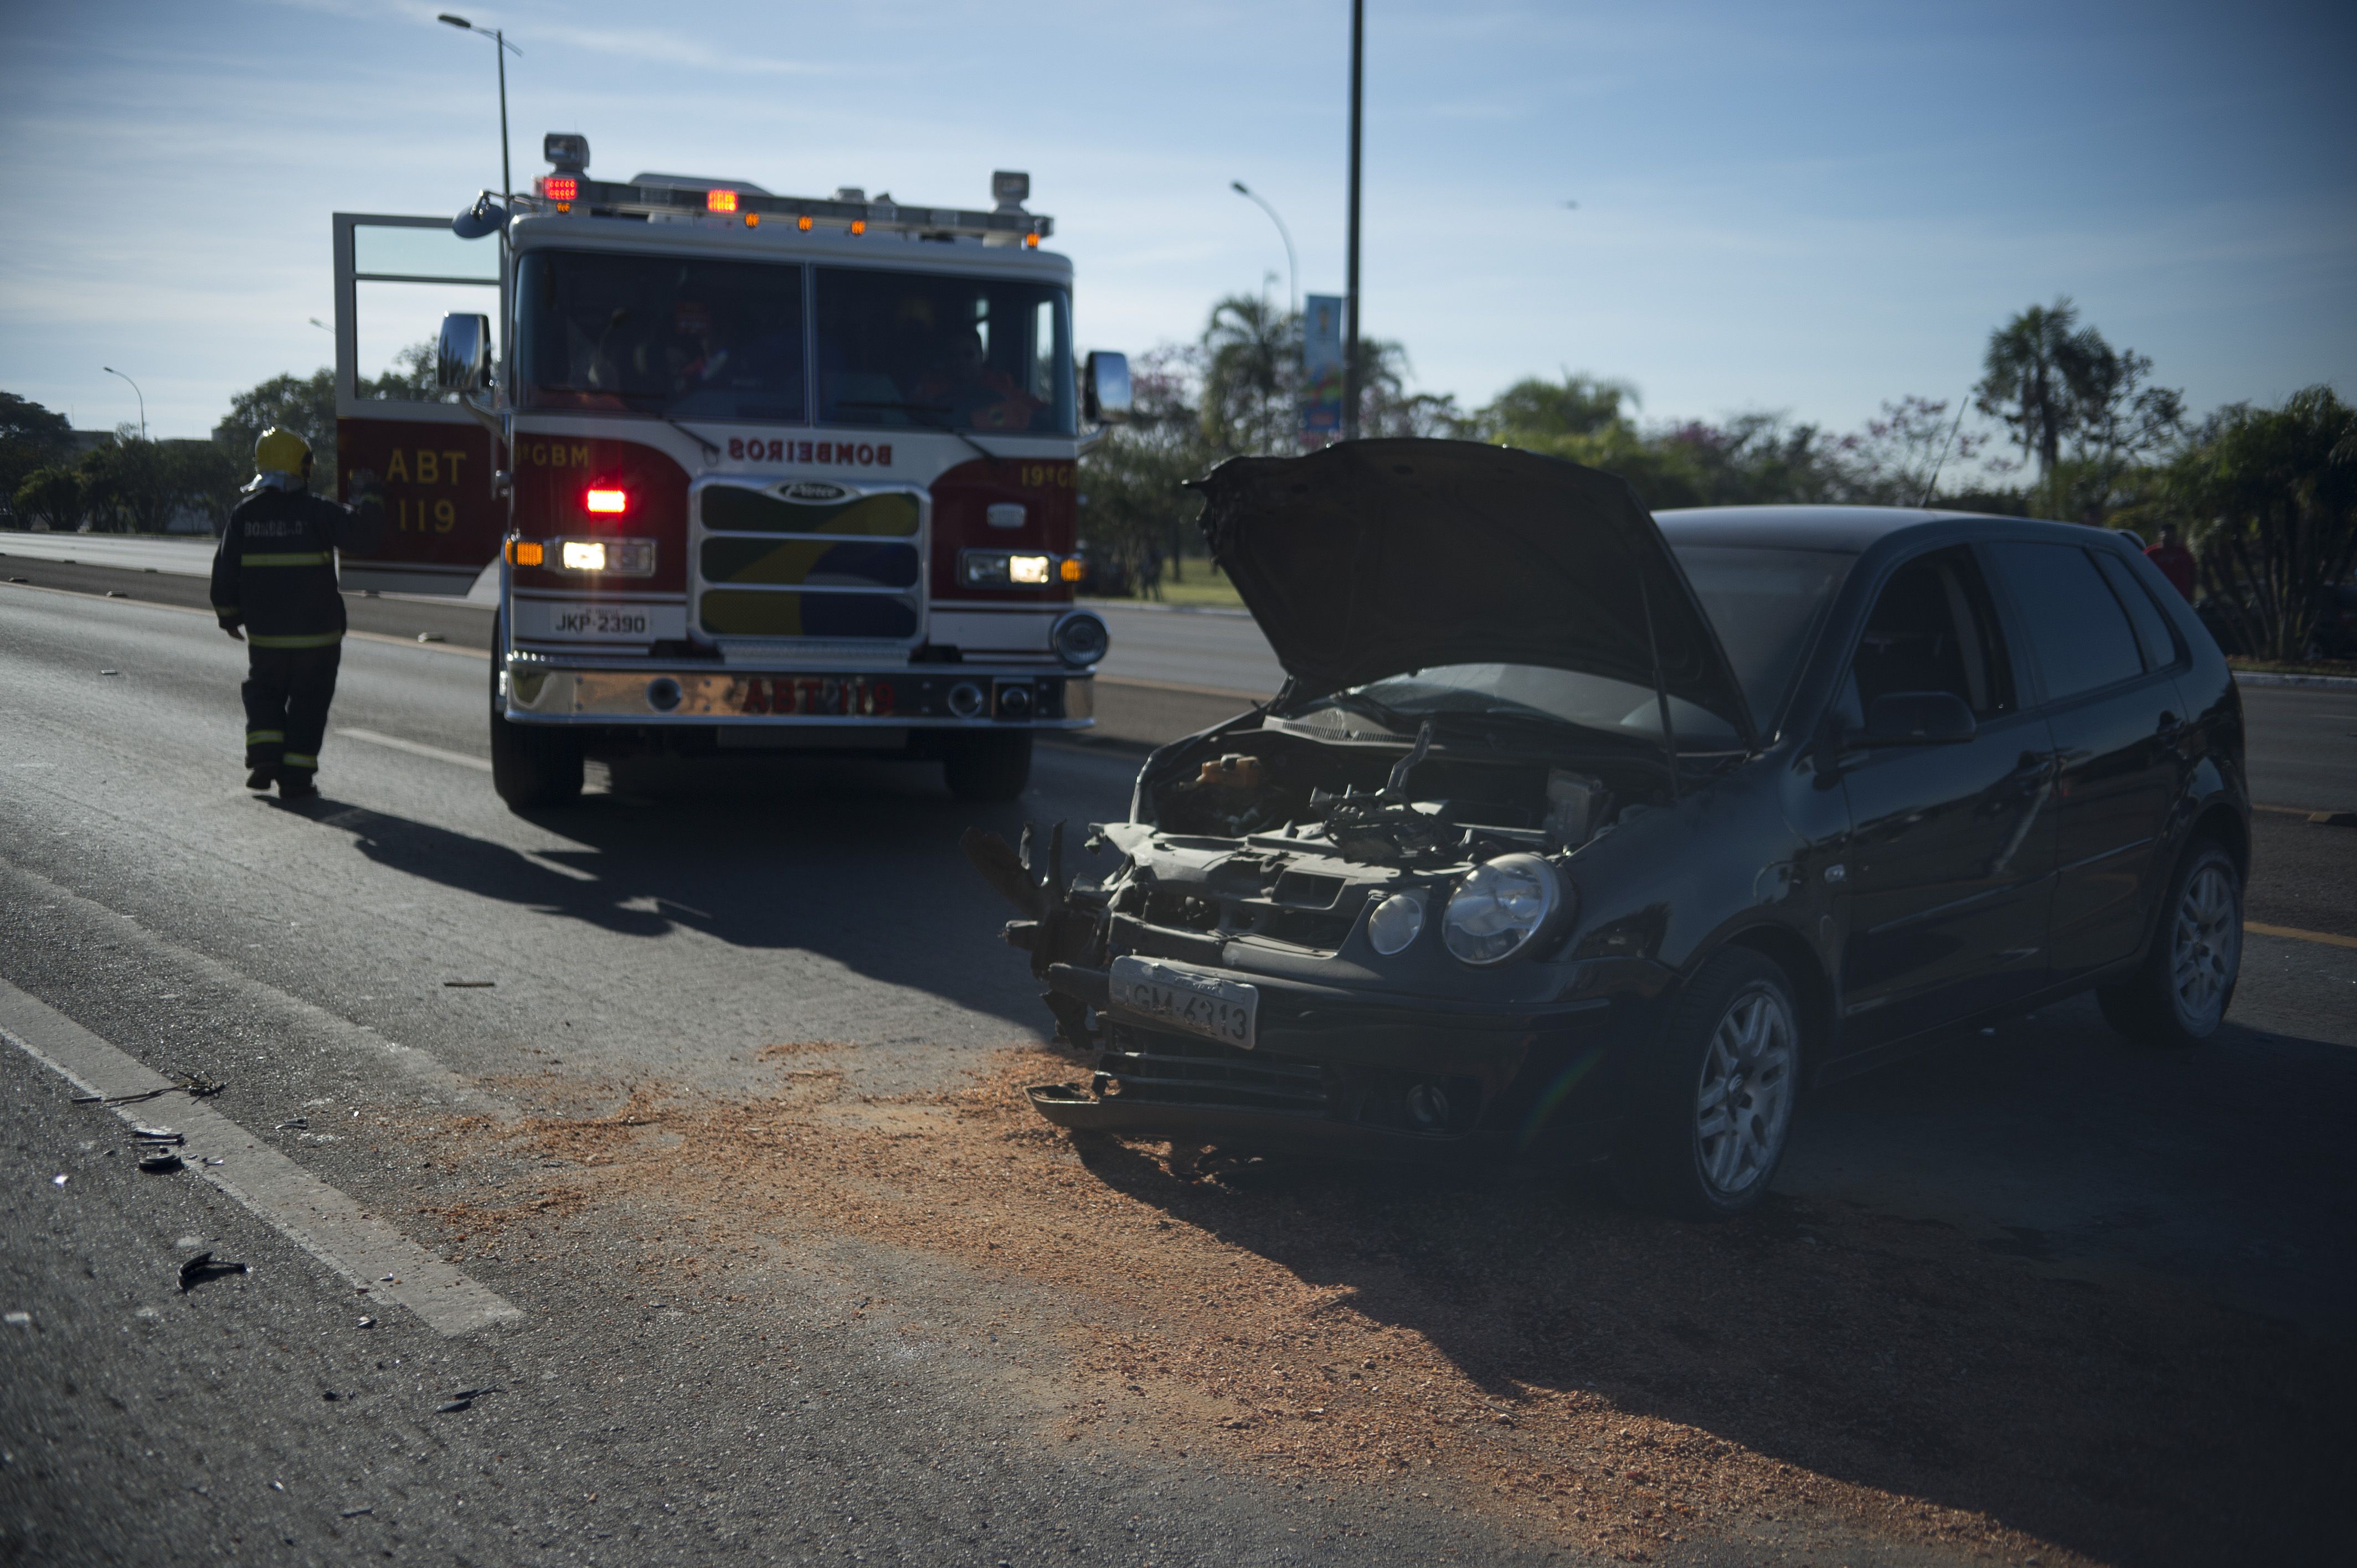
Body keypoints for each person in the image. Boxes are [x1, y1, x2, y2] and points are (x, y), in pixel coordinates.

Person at [210, 428, 382, 801]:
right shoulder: (318, 511)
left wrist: (228, 616)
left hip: (267, 636)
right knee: (309, 704)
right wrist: (369, 493)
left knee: (265, 693)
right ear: (301, 467)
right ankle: (296, 780)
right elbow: (363, 536)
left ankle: (264, 759)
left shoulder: (246, 515)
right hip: (317, 638)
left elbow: (225, 569)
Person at [2144, 522, 2197, 602]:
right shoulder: (2151, 554)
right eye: (2166, 535)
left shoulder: (2183, 552)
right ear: (2160, 536)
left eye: (2172, 535)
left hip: (2183, 597)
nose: (2169, 538)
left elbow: (2193, 572)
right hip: (2160, 597)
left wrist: (2191, 593)